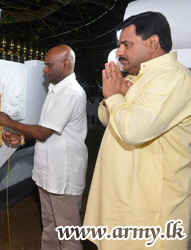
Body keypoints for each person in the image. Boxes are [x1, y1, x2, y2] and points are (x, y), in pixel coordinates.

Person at [83, 11, 191, 249]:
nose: (119, 52)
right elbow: (106, 118)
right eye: (119, 45)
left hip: (149, 210)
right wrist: (114, 97)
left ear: (153, 42)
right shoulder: (141, 77)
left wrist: (115, 96)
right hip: (125, 200)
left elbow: (133, 130)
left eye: (126, 44)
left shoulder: (173, 76)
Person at [0, 44, 88, 250]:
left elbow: (43, 132)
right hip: (48, 174)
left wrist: (9, 122)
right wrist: (21, 138)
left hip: (63, 177)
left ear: (66, 64)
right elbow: (48, 131)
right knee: (50, 228)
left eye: (48, 65)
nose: (44, 70)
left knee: (68, 235)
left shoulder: (71, 93)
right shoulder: (56, 91)